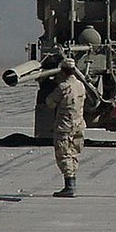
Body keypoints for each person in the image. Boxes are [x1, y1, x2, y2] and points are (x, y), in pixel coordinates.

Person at [45, 58, 86, 198]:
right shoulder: (81, 85)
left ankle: (69, 186)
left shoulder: (63, 87)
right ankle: (72, 182)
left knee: (63, 154)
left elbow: (50, 103)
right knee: (74, 153)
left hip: (65, 125)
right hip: (79, 124)